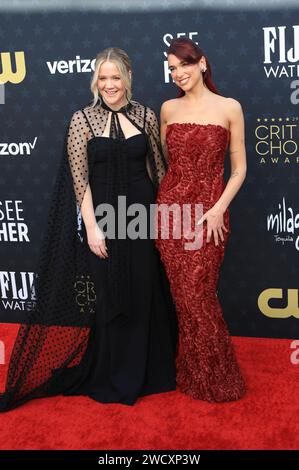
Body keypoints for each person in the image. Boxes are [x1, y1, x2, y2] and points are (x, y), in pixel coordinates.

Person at [0, 48, 177, 411]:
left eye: (116, 77)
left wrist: (165, 220)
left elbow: (158, 171)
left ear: (128, 78)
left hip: (141, 217)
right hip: (106, 220)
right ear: (95, 80)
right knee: (112, 295)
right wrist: (93, 228)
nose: (110, 85)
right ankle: (112, 374)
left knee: (143, 291)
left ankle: (146, 373)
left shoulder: (145, 114)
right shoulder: (82, 119)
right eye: (103, 78)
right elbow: (80, 181)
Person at [155, 38, 246, 402]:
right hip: (170, 214)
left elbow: (239, 170)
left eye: (184, 65)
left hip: (210, 215)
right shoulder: (167, 108)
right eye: (173, 69)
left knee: (200, 294)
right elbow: (168, 163)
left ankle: (216, 374)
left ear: (202, 63)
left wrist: (219, 207)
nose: (179, 74)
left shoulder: (230, 108)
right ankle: (192, 370)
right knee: (183, 297)